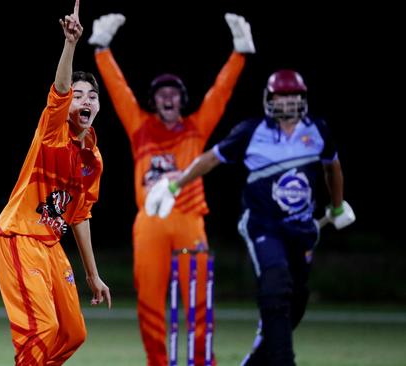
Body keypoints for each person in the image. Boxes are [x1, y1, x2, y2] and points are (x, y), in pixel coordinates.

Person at [146, 69, 356, 365]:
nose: (287, 103)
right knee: (276, 286)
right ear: (270, 100)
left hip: (302, 228)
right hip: (264, 226)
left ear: (303, 98)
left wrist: (336, 207)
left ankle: (256, 359)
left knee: (294, 302)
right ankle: (284, 360)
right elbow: (210, 159)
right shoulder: (251, 131)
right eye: (281, 97)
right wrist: (174, 184)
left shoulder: (318, 130)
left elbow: (332, 168)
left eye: (293, 96)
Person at [87, 12, 255, 366]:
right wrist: (101, 48)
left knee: (198, 300)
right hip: (149, 223)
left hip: (190, 220)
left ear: (181, 100)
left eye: (174, 93)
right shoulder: (141, 128)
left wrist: (239, 53)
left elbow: (219, 94)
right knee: (149, 301)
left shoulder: (196, 128)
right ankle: (158, 363)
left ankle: (199, 361)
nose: (167, 98)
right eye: (161, 93)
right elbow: (118, 91)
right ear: (154, 100)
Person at [0, 1, 111, 364]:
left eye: (92, 96)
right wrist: (71, 45)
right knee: (42, 330)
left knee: (73, 333)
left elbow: (79, 215)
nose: (85, 100)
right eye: (78, 96)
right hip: (20, 238)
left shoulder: (93, 157)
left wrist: (93, 275)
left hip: (51, 245)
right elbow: (59, 90)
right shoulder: (53, 131)